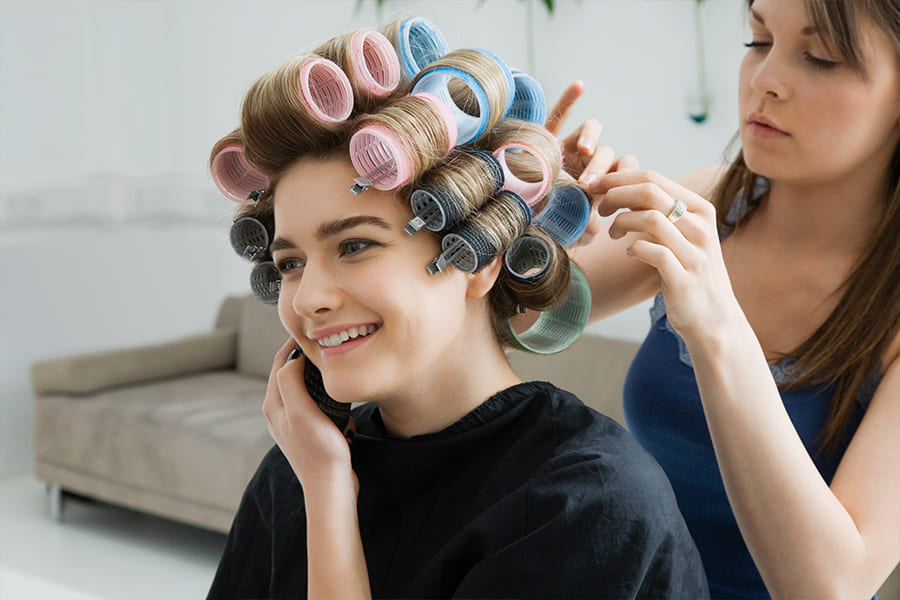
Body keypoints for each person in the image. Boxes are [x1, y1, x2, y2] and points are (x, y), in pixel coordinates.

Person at [205, 20, 709, 600]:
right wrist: (320, 484)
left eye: (356, 245)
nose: (310, 297)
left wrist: (329, 500)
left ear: (478, 260)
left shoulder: (585, 501)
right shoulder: (297, 468)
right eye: (291, 262)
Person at [548, 0, 900, 597]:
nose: (765, 81)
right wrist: (537, 217)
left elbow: (830, 587)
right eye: (758, 41)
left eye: (820, 57)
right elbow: (520, 320)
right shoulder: (711, 206)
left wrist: (716, 327)